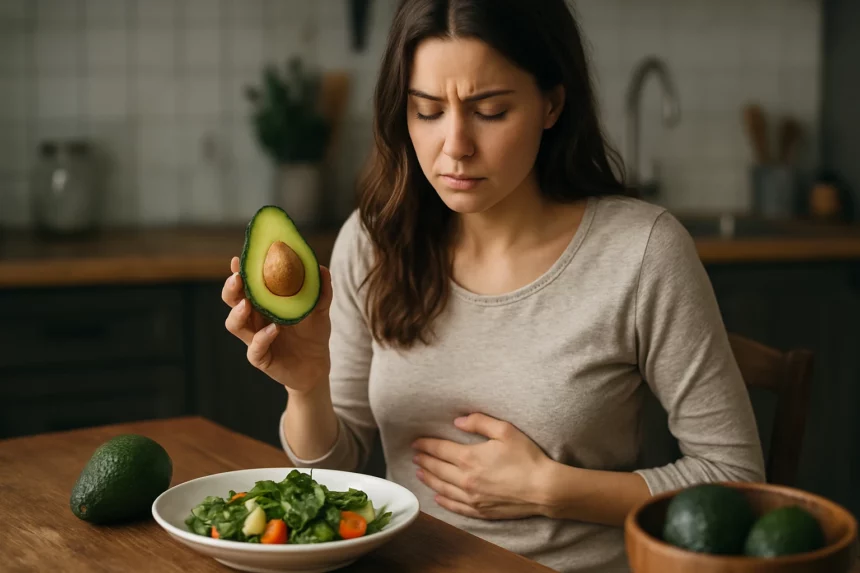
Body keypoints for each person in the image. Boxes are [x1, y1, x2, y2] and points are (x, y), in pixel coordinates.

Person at [221, 0, 765, 571]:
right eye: (427, 111)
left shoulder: (642, 252)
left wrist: (549, 488)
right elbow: (331, 473)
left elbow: (734, 479)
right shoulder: (374, 241)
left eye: (491, 110)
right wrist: (308, 387)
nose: (455, 146)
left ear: (551, 103)